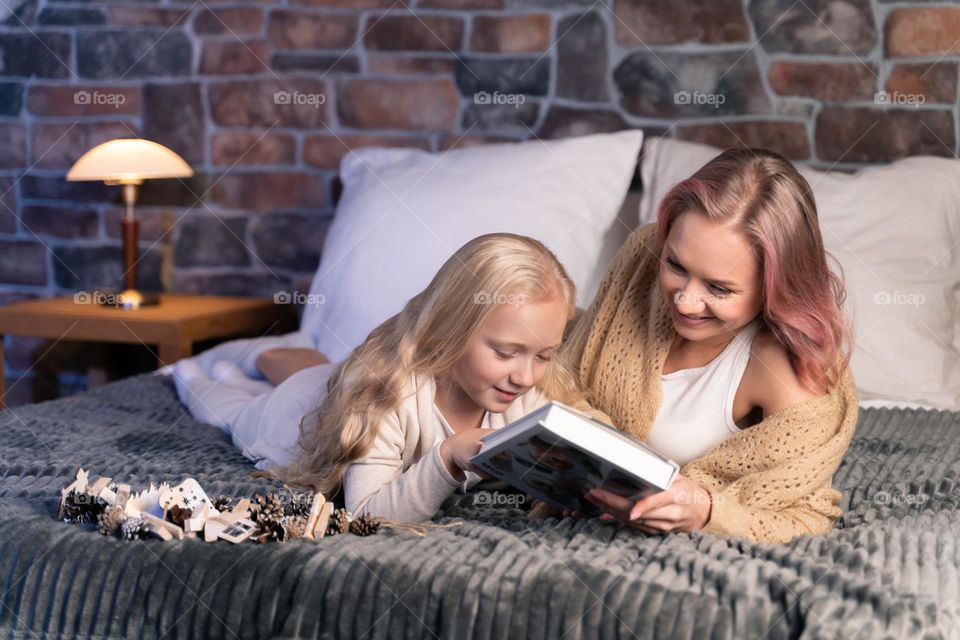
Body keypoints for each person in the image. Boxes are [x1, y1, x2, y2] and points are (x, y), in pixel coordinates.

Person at [175, 233, 602, 523]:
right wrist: (447, 455)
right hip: (294, 414)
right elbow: (366, 512)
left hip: (330, 382)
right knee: (225, 403)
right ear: (449, 330)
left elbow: (587, 440)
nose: (526, 376)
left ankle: (280, 354)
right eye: (506, 353)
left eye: (544, 355)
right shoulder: (388, 396)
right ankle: (197, 369)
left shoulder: (522, 394)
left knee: (315, 367)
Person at [553, 148, 859, 544]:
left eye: (719, 288)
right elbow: (570, 376)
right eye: (676, 266)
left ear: (775, 287)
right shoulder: (642, 257)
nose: (685, 301)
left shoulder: (787, 371)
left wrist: (708, 512)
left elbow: (806, 517)